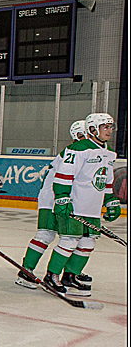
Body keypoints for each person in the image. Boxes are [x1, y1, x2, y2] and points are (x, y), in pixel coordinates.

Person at [39, 112, 119, 297]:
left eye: (110, 127)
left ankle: (70, 275)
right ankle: (51, 276)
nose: (109, 131)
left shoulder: (109, 154)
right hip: (75, 206)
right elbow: (63, 176)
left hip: (92, 208)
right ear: (92, 130)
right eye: (104, 127)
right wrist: (62, 197)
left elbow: (106, 181)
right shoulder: (78, 149)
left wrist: (110, 200)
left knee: (88, 242)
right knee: (69, 240)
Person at [15, 120, 88, 289]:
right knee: (46, 234)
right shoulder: (72, 152)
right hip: (51, 198)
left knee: (75, 237)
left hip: (69, 200)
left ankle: (70, 272)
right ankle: (26, 272)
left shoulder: (87, 153)